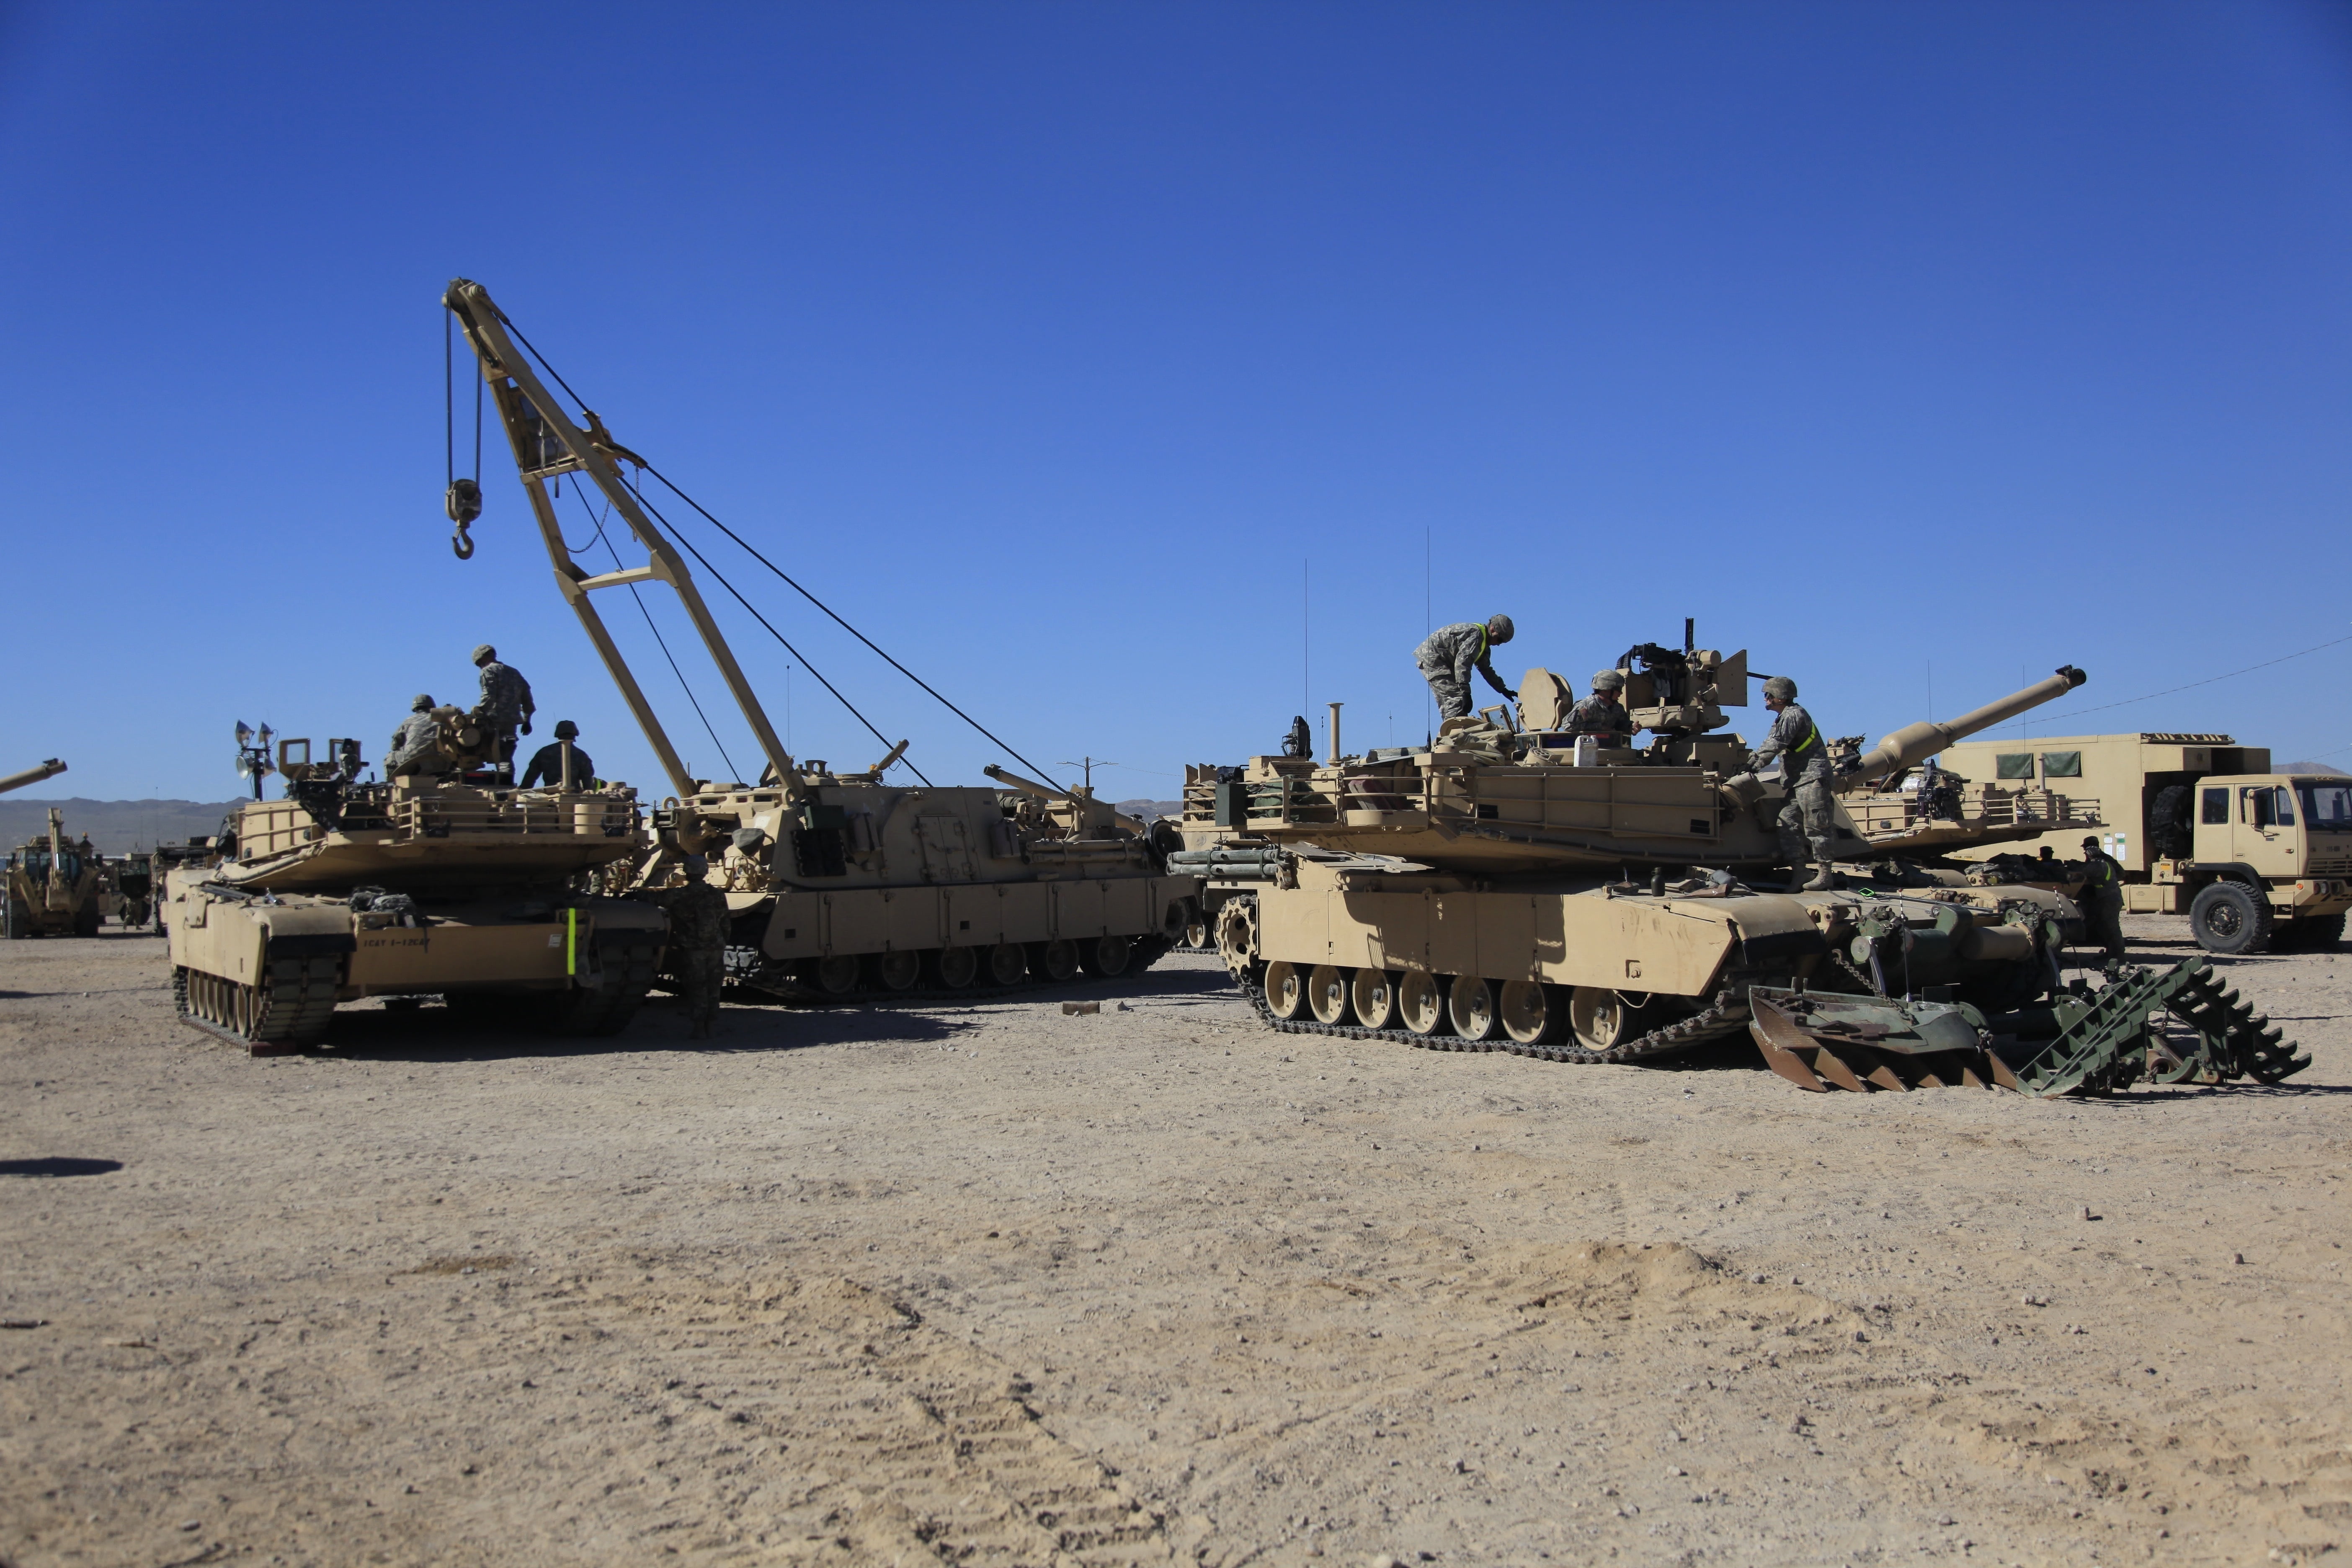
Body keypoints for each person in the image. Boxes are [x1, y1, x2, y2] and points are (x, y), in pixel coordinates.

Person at [1750, 674, 1836, 892]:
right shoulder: (1783, 717)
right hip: (1798, 781)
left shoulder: (1794, 715)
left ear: (1781, 696)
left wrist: (1755, 763)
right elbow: (1771, 742)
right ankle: (1801, 871)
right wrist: (1752, 760)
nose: (1766, 699)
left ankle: (1825, 875)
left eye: (1768, 695)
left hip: (1812, 779)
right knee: (1786, 822)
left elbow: (1777, 743)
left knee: (1817, 827)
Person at [653, 854, 730, 1039]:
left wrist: (632, 895)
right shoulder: (717, 894)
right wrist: (721, 942)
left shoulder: (679, 895)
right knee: (714, 987)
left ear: (686, 872)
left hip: (693, 948)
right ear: (705, 871)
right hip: (715, 946)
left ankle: (698, 1029)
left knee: (697, 987)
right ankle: (711, 1027)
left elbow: (654, 899)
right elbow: (726, 923)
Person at [1414, 615, 1516, 722]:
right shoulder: (1476, 636)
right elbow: (1462, 663)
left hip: (1441, 662)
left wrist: (1503, 689)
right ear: (1492, 629)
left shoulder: (1483, 644)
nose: (1499, 645)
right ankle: (1456, 734)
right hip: (1434, 659)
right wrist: (1465, 692)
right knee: (1457, 700)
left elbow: (1486, 670)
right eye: (1500, 640)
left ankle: (1453, 730)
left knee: (1452, 702)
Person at [472, 644, 536, 779]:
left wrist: (478, 714)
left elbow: (489, 695)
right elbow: (527, 697)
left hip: (493, 721)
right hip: (511, 723)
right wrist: (527, 720)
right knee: (505, 758)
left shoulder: (488, 671)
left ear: (482, 659)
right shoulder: (514, 672)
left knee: (473, 750)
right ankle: (507, 789)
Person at [2078, 834, 2128, 963]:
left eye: (2087, 850)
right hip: (2108, 897)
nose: (2085, 852)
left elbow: (2082, 873)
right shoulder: (2106, 860)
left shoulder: (2097, 864)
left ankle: (2118, 956)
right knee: (2105, 926)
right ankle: (2112, 953)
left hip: (2108, 898)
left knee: (2111, 927)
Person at [1564, 669, 1636, 746]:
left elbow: (1620, 724)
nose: (1621, 693)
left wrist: (1631, 728)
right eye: (1618, 690)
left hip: (1611, 749)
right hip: (1586, 749)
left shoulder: (1617, 708)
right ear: (1606, 690)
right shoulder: (1587, 706)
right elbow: (1568, 725)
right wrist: (1600, 727)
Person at [519, 721, 596, 790]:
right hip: (575, 799)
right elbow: (588, 781)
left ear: (558, 735)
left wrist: (523, 791)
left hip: (550, 796)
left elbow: (530, 778)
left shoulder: (544, 752)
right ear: (574, 736)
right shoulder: (581, 755)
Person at [384, 694, 441, 778]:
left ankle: (393, 785)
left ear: (415, 708)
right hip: (437, 760)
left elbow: (395, 745)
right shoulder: (440, 720)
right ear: (432, 706)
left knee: (390, 757)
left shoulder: (409, 721)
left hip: (411, 760)